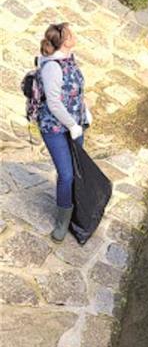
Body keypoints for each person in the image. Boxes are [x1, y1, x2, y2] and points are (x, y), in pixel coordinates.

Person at [34, 23, 91, 242]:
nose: (74, 36)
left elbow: (78, 91)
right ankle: (62, 222)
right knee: (66, 174)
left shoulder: (70, 60)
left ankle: (76, 210)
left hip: (75, 124)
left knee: (75, 170)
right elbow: (54, 103)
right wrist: (72, 125)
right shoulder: (52, 67)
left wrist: (86, 112)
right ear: (64, 41)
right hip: (55, 128)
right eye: (71, 34)